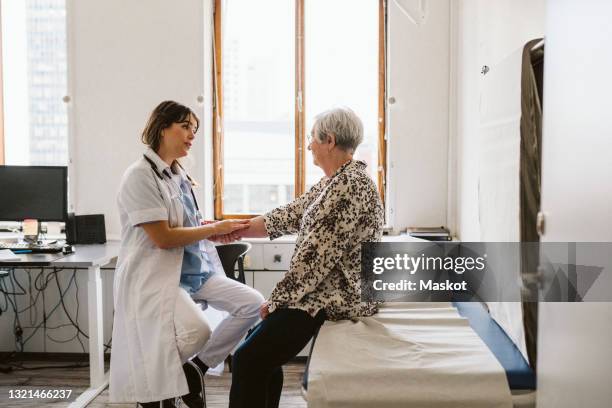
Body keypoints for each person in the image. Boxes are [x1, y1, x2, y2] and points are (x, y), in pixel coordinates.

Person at [109, 101, 265, 408]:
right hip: (156, 276)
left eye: (194, 129)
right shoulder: (140, 175)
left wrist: (214, 229)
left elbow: (186, 224)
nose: (191, 135)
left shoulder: (177, 175)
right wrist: (213, 228)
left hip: (194, 271)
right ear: (162, 127)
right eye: (185, 127)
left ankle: (196, 369)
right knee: (196, 331)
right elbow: (163, 237)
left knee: (253, 304)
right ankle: (158, 387)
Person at [228, 107, 385, 408]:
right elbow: (287, 215)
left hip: (335, 296)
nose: (308, 144)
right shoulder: (334, 181)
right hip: (321, 291)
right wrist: (234, 230)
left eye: (312, 138)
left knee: (247, 358)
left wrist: (275, 303)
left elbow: (314, 262)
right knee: (257, 355)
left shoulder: (349, 185)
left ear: (329, 140)